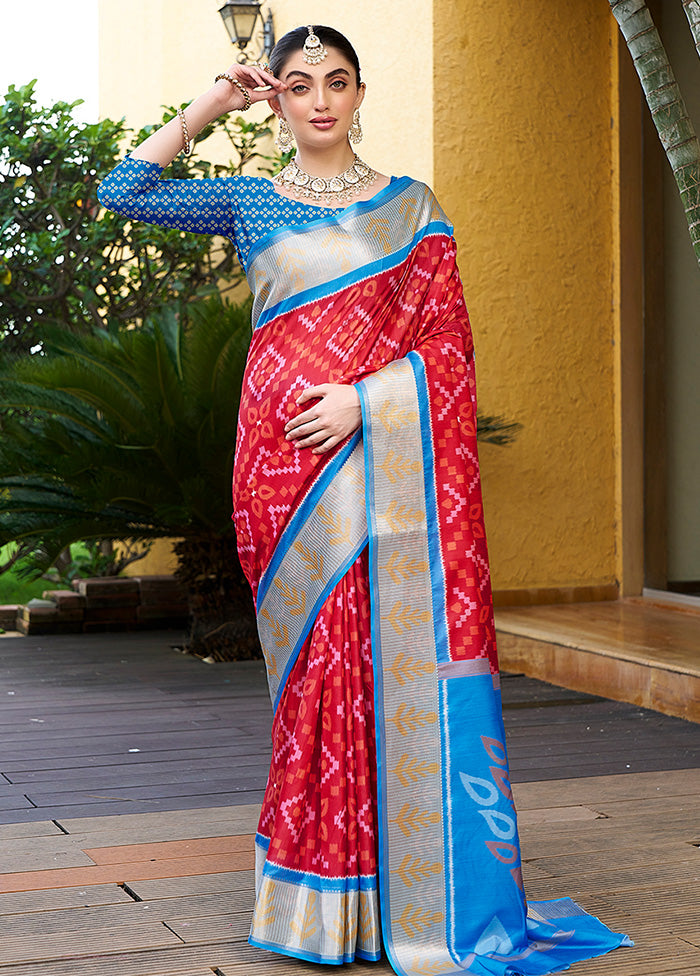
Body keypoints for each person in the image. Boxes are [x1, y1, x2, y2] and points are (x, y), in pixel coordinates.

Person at [98, 24, 631, 976]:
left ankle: (400, 898)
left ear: (358, 92)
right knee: (314, 681)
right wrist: (215, 104)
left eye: (335, 83)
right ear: (282, 98)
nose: (317, 101)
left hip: (375, 464)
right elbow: (123, 191)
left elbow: (453, 357)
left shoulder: (411, 211)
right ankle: (318, 907)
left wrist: (366, 402)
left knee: (385, 671)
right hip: (280, 474)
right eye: (297, 85)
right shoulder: (254, 203)